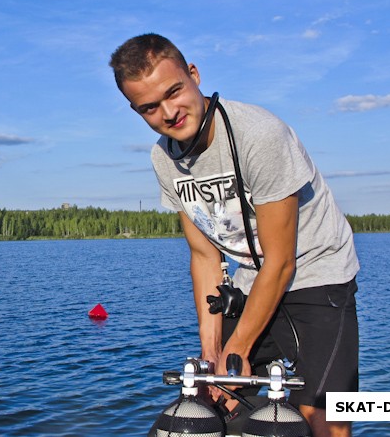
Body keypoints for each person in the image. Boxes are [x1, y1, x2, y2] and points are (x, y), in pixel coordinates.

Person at [110, 34, 359, 437]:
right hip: (249, 279)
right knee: (224, 399)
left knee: (323, 419)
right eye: (150, 108)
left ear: (193, 75)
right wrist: (213, 355)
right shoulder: (164, 158)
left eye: (174, 92)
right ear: (136, 109)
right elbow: (205, 256)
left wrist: (237, 348)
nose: (169, 113)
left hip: (316, 273)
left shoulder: (258, 135)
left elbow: (281, 261)